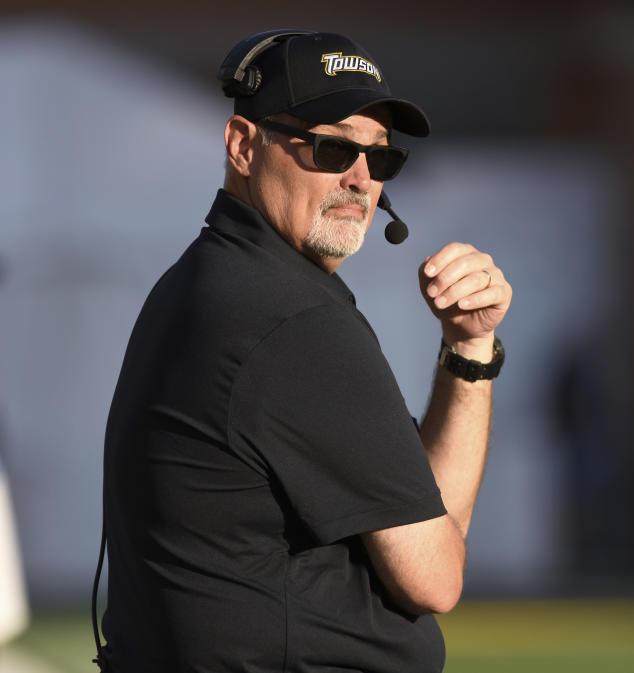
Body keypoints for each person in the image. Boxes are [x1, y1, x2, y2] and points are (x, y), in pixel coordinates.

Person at [99, 30, 511, 673]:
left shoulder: (212, 283)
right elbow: (434, 576)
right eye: (330, 146)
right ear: (243, 146)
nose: (360, 180)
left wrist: (469, 347)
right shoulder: (292, 319)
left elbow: (421, 515)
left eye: (380, 159)